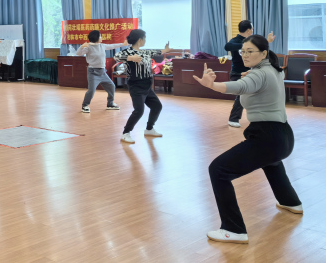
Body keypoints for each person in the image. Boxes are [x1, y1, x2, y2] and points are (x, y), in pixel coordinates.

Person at [194, 35, 302, 244]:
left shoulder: (259, 74)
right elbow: (254, 83)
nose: (244, 55)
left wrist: (212, 85)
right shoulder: (274, 70)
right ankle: (291, 202)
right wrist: (250, 74)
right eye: (242, 51)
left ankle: (233, 230)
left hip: (268, 137)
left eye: (250, 51)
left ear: (263, 53)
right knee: (271, 162)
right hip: (283, 136)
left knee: (218, 170)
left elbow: (241, 86)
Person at [114, 29, 173, 144]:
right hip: (136, 86)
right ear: (140, 40)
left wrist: (165, 50)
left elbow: (157, 51)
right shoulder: (128, 52)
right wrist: (131, 58)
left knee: (157, 106)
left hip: (147, 86)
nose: (145, 40)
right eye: (144, 38)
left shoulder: (145, 52)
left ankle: (149, 129)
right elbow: (116, 56)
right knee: (139, 111)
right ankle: (125, 133)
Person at [224, 21, 275, 128]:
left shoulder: (252, 41)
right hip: (238, 73)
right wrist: (247, 46)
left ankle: (261, 117)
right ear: (248, 30)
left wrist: (266, 41)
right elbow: (227, 46)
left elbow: (261, 49)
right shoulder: (235, 41)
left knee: (258, 94)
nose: (252, 31)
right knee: (242, 95)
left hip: (252, 73)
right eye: (252, 29)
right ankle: (233, 119)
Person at [76, 30, 128, 113]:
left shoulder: (102, 46)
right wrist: (82, 46)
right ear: (96, 37)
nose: (101, 37)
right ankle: (85, 105)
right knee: (91, 90)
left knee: (111, 86)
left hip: (102, 72)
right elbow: (78, 53)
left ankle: (110, 104)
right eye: (100, 36)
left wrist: (123, 44)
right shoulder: (88, 47)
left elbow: (112, 46)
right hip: (93, 72)